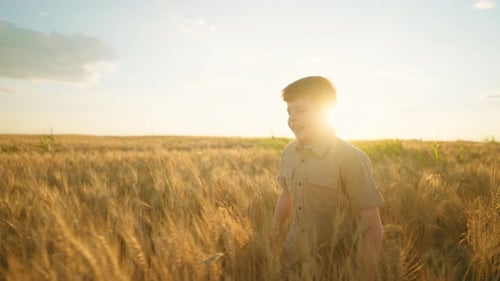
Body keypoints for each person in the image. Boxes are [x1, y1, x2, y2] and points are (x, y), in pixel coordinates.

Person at [271, 76, 385, 281]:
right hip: (292, 260)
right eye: (289, 111)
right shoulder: (289, 152)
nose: (292, 118)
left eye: (300, 110)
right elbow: (286, 194)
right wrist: (273, 234)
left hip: (335, 266)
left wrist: (365, 272)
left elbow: (372, 224)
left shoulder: (350, 158)